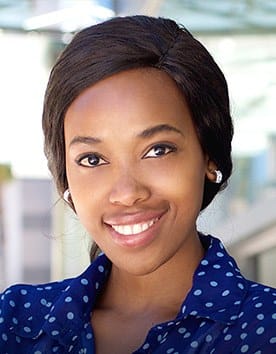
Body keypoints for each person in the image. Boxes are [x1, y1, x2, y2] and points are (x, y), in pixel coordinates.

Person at [0, 15, 275, 354]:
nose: (127, 193)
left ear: (209, 156)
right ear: (65, 175)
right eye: (92, 159)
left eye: (157, 150)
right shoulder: (14, 323)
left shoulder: (267, 328)